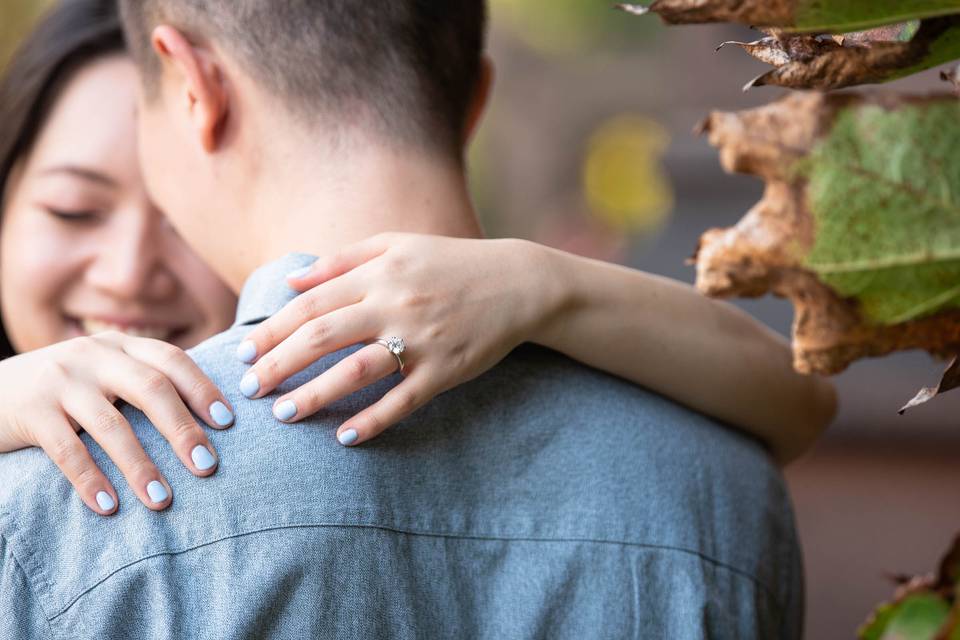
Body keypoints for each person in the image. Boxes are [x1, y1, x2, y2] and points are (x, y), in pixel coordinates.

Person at [0, 0, 825, 636]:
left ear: (193, 87)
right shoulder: (726, 481)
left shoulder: (46, 514)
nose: (126, 272)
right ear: (475, 100)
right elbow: (806, 393)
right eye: (74, 210)